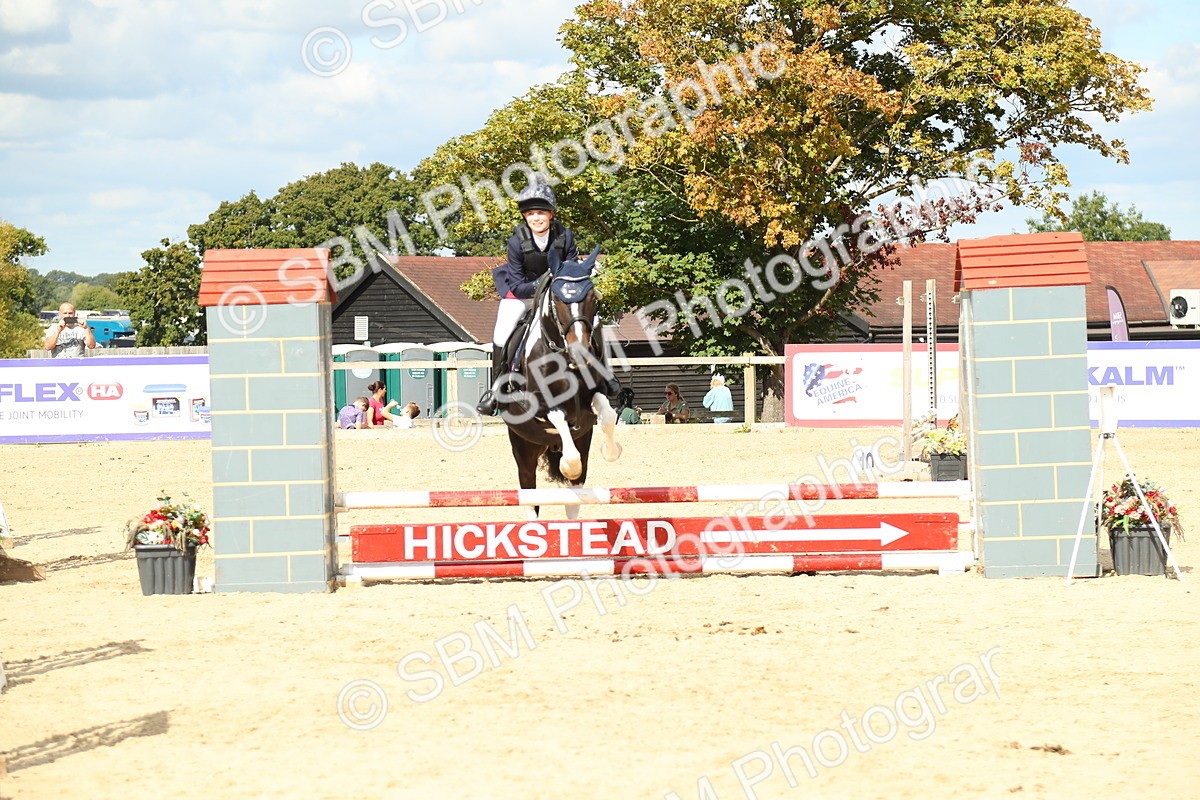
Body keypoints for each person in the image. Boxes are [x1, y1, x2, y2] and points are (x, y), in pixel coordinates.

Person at [475, 176, 620, 415]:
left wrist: (562, 287)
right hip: (523, 294)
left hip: (558, 293)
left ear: (551, 214)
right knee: (502, 331)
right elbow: (518, 284)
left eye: (541, 213)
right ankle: (497, 388)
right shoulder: (516, 242)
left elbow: (572, 270)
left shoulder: (566, 236)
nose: (536, 218)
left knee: (593, 321)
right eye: (530, 214)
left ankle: (605, 375)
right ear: (525, 216)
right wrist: (546, 284)